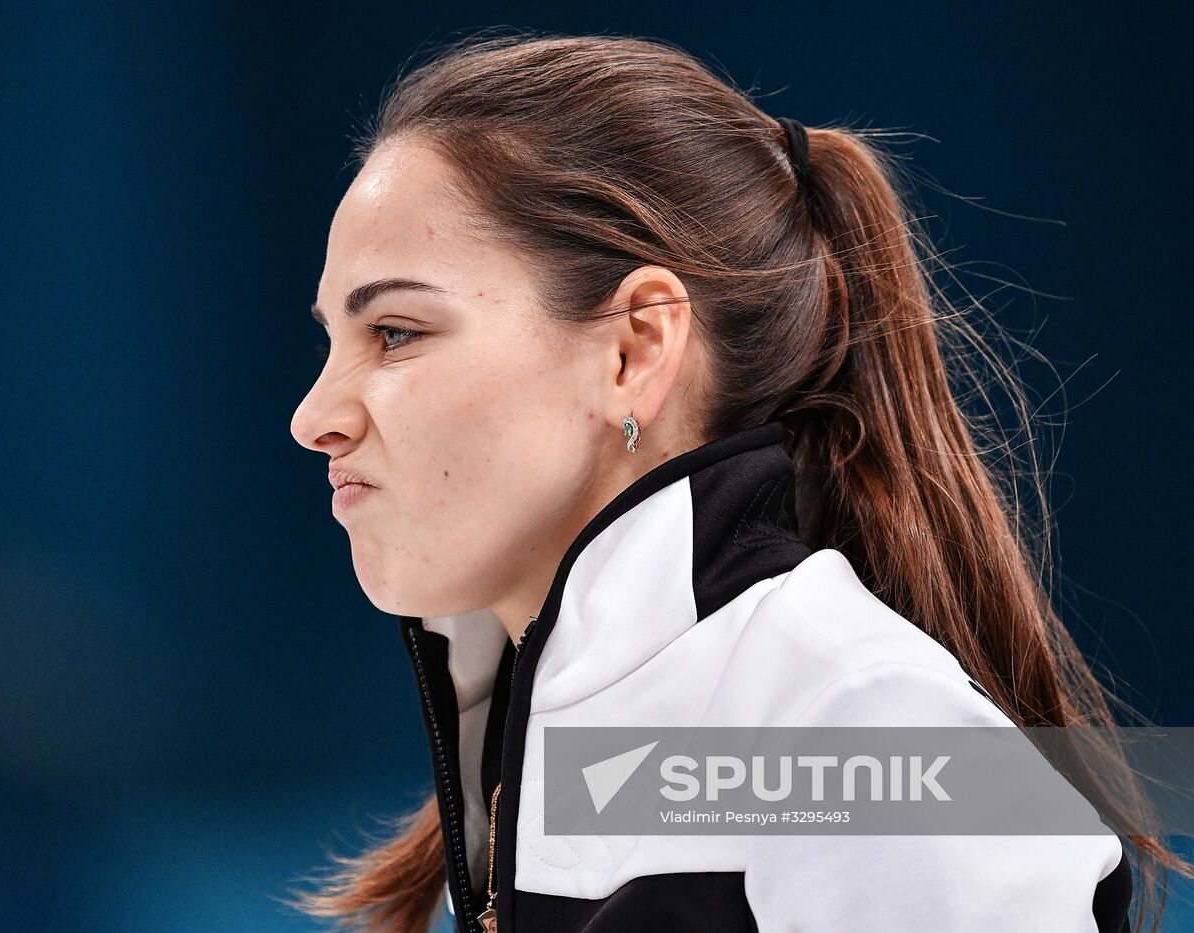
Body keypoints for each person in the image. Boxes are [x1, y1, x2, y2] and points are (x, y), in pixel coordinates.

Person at [285, 30, 1189, 933]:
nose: (313, 414)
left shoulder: (867, 734)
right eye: (332, 340)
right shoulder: (546, 758)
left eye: (396, 332)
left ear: (635, 349)